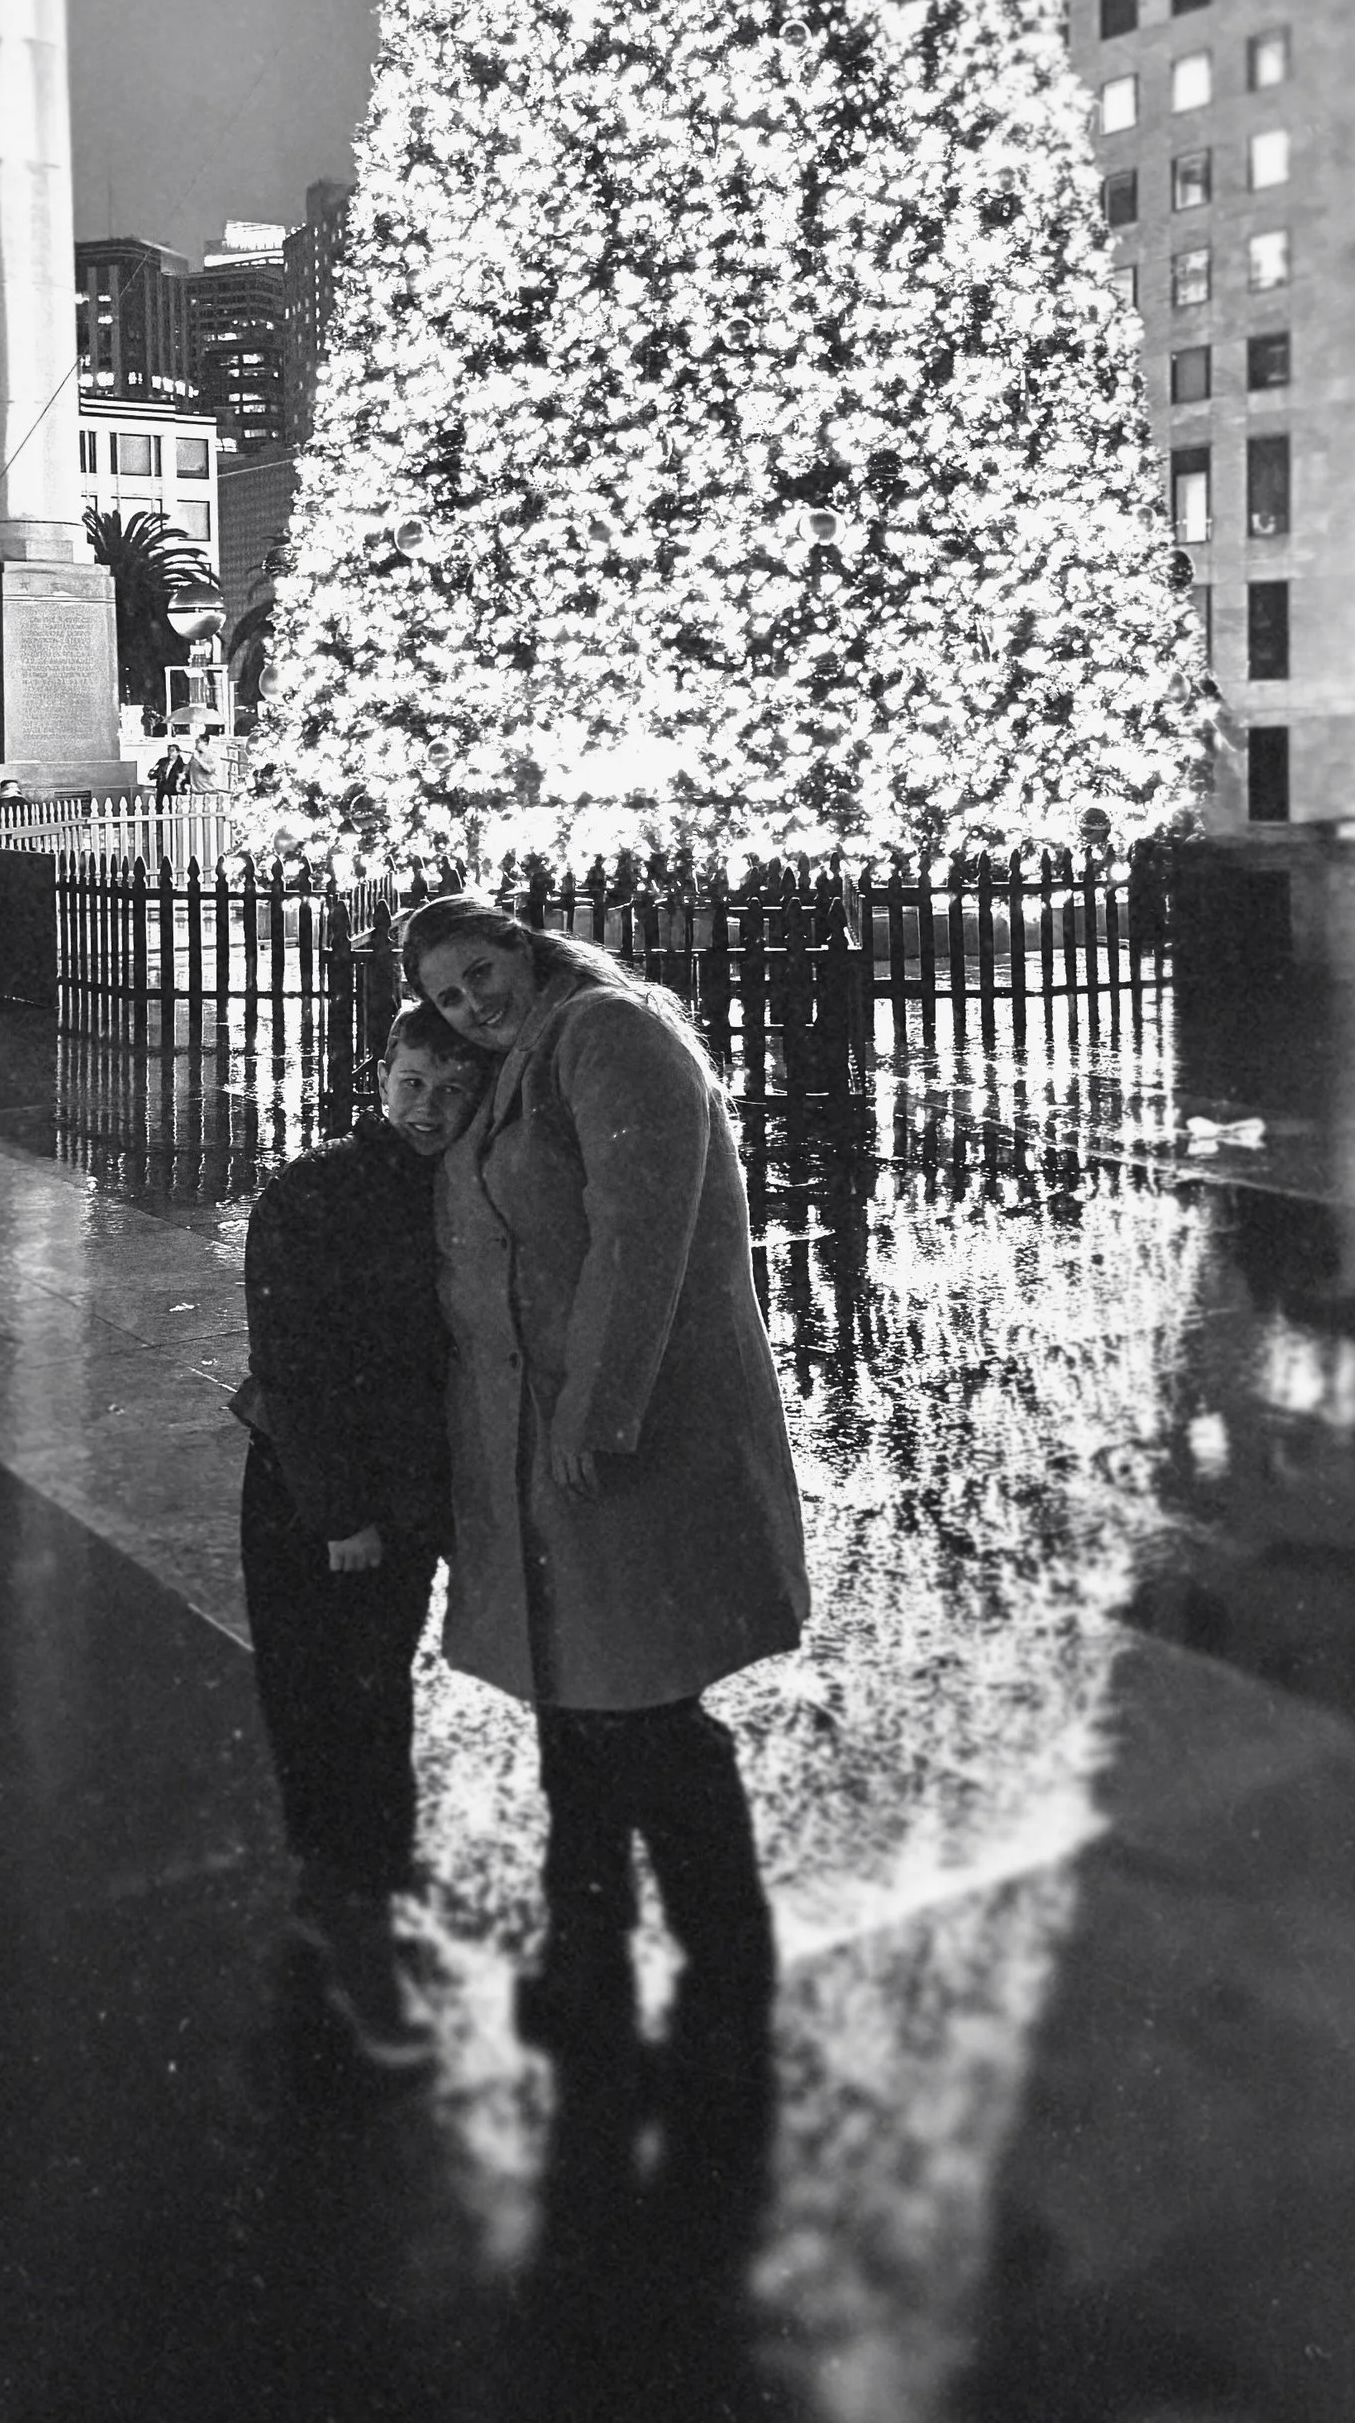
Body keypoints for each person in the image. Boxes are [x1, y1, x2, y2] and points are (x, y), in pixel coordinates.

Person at [404, 894, 809, 2108]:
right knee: (580, 1708)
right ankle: (589, 1958)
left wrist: (600, 1407)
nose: (469, 1004)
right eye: (447, 996)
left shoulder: (604, 1033)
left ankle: (722, 1964)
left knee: (641, 1711)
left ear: (524, 947)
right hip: (543, 1441)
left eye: (480, 973)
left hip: (617, 1444)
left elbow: (645, 1233)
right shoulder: (524, 1055)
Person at [231, 999, 488, 2065]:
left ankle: (342, 1890)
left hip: (403, 1503)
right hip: (316, 1505)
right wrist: (340, 1514)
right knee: (332, 1700)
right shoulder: (313, 1192)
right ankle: (356, 1926)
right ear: (378, 1076)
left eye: (448, 1089)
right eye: (409, 1085)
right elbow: (291, 1363)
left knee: (368, 1697)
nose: (425, 1109)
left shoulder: (466, 1190)